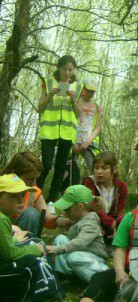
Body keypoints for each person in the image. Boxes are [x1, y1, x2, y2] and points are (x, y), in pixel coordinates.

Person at [38, 55, 83, 202]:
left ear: (74, 70)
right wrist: (50, 95)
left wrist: (73, 100)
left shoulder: (78, 87)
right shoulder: (48, 83)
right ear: (59, 68)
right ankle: (35, 196)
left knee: (60, 167)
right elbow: (40, 108)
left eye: (70, 70)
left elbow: (79, 114)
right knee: (46, 165)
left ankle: (51, 200)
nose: (67, 73)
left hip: (67, 133)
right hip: (49, 131)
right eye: (64, 69)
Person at [0, 174, 44, 302]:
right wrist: (34, 249)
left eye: (21, 196)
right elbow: (9, 254)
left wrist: (14, 239)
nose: (20, 201)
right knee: (29, 264)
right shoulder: (1, 219)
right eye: (14, 196)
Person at [47, 185, 109, 282]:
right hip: (81, 254)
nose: (65, 211)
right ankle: (65, 274)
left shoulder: (90, 223)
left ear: (80, 206)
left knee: (74, 257)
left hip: (94, 259)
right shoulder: (78, 219)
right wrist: (61, 221)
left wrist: (56, 249)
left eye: (67, 209)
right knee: (60, 239)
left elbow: (80, 243)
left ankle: (100, 277)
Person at [2, 151, 70, 237]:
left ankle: (27, 243)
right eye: (29, 179)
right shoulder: (2, 187)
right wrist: (9, 227)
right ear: (14, 174)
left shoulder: (33, 191)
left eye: (36, 179)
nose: (34, 183)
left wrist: (58, 220)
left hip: (18, 237)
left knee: (31, 214)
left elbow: (46, 218)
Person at [82, 151, 127, 242]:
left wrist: (115, 226)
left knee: (126, 219)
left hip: (111, 222)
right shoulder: (90, 182)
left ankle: (115, 239)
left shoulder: (121, 186)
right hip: (92, 219)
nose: (99, 172)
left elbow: (118, 211)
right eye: (96, 168)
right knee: (91, 216)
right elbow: (92, 207)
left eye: (104, 168)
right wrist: (110, 222)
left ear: (115, 169)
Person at [69, 79, 103, 183]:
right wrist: (73, 142)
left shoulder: (97, 107)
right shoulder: (74, 101)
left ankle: (92, 189)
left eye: (93, 92)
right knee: (69, 168)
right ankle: (67, 189)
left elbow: (98, 127)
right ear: (83, 89)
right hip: (72, 141)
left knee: (93, 167)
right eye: (88, 91)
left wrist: (87, 142)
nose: (91, 94)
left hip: (88, 143)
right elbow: (68, 122)